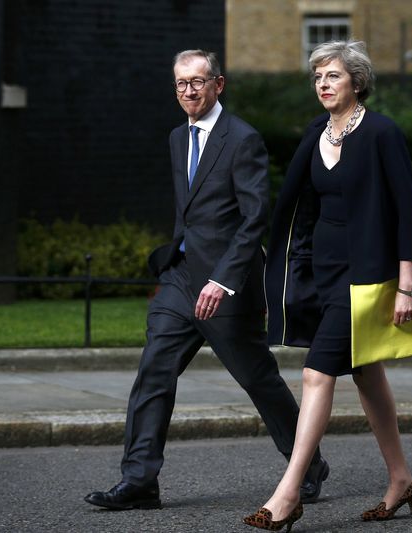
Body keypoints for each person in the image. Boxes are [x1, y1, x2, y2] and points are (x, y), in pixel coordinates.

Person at [84, 49, 327, 511]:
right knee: (154, 371)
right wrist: (176, 260)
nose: (189, 91)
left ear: (219, 84)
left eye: (197, 82)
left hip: (226, 286)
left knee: (258, 380)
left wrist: (223, 280)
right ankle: (139, 480)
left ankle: (309, 464)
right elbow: (192, 212)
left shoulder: (243, 139)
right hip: (180, 280)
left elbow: (253, 219)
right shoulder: (178, 137)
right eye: (181, 84)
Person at [242, 40, 412, 532]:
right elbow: (300, 206)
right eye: (318, 78)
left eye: (332, 76)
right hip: (321, 272)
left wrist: (406, 286)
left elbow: (406, 212)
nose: (323, 85)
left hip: (366, 274)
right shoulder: (315, 134)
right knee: (368, 374)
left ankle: (288, 494)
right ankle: (401, 479)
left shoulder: (382, 134)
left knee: (314, 374)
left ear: (357, 81)